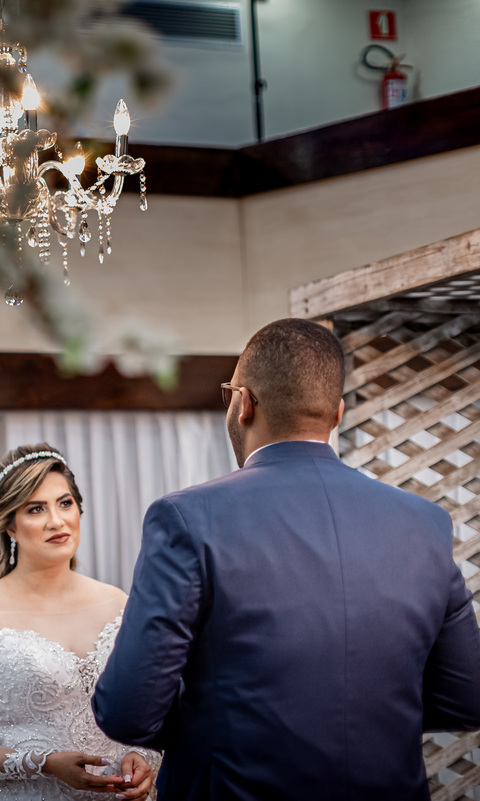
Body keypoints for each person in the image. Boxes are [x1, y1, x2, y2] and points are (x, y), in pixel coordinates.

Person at [92, 318, 480, 800]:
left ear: (243, 403)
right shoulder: (425, 523)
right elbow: (467, 698)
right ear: (337, 414)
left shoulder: (187, 518)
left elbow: (128, 710)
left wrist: (227, 725)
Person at [0, 444, 157, 801]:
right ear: (10, 527)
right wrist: (43, 763)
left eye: (65, 503)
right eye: (36, 509)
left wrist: (143, 756)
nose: (57, 520)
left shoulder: (120, 605)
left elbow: (152, 711)